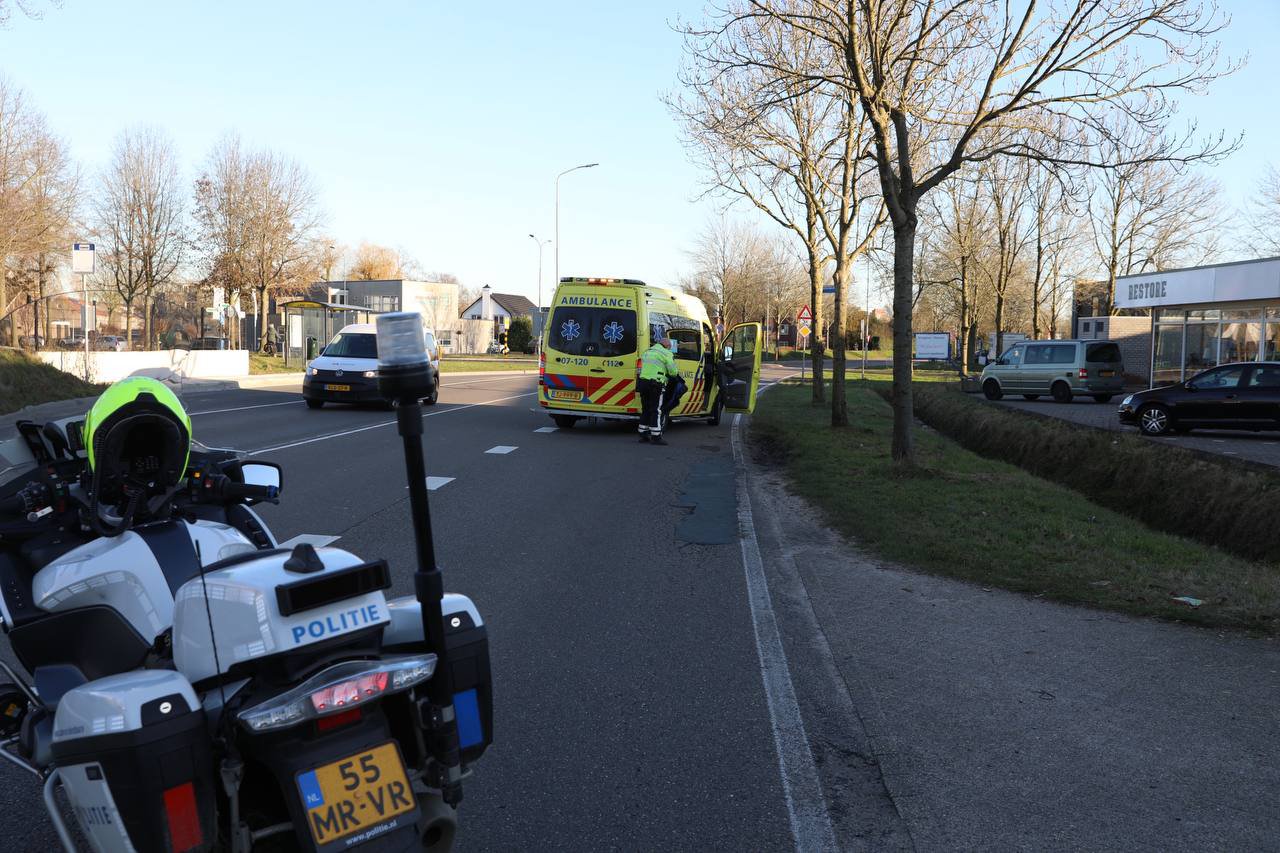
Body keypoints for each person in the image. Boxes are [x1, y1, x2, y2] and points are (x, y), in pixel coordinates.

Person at [638, 329, 679, 446]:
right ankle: (656, 436)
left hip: (643, 383)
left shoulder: (647, 352)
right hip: (655, 384)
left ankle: (643, 433)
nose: (670, 348)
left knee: (645, 408)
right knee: (656, 409)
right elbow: (673, 372)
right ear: (667, 346)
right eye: (669, 347)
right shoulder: (666, 353)